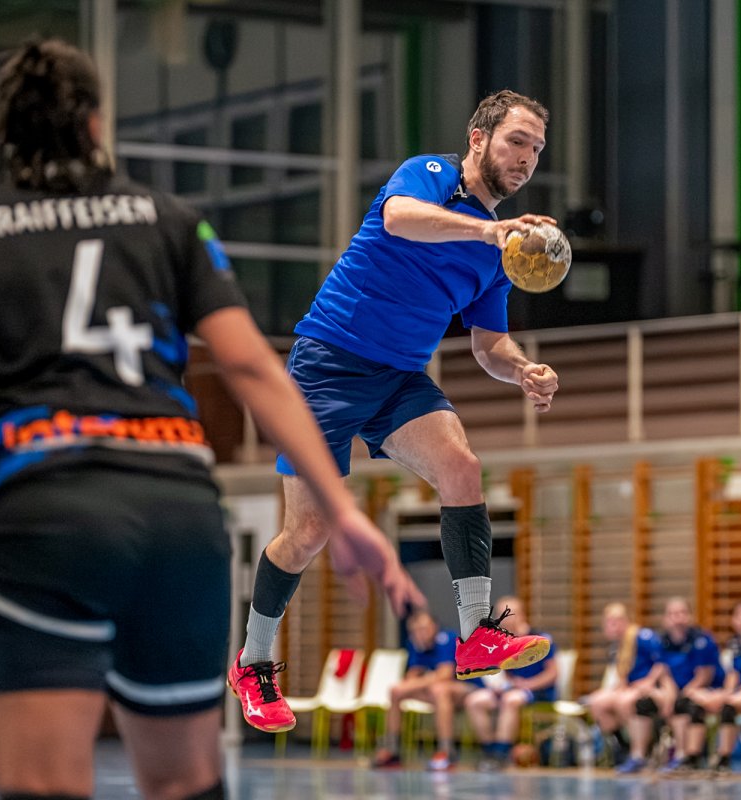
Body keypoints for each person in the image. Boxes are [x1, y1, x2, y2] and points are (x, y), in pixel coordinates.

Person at [0, 39, 418, 800]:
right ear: (95, 123)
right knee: (186, 784)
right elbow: (253, 369)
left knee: (43, 787)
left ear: (4, 133)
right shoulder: (170, 221)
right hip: (176, 517)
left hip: (46, 516)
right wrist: (341, 512)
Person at [229, 90, 561, 731]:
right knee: (308, 533)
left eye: (537, 149)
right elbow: (400, 219)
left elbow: (488, 345)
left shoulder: (500, 255)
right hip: (327, 365)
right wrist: (487, 228)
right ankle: (253, 663)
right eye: (517, 141)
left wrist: (523, 369)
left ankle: (475, 636)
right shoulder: (430, 176)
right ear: (478, 138)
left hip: (399, 379)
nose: (527, 158)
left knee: (463, 468)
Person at [617, 597, 723, 775]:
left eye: (682, 613)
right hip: (674, 689)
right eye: (673, 614)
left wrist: (682, 695)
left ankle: (684, 755)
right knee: (643, 704)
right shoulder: (662, 642)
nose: (677, 618)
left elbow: (704, 676)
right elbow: (664, 672)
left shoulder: (702, 640)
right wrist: (669, 696)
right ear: (666, 619)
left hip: (701, 689)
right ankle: (638, 756)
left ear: (690, 616)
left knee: (683, 705)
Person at [679, 602, 741, 776]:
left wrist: (735, 693)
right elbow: (732, 674)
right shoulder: (735, 644)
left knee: (729, 707)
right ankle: (692, 757)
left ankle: (724, 759)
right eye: (739, 615)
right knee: (700, 707)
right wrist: (726, 693)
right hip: (739, 692)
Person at [372, 609, 478, 772]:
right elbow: (413, 674)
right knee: (396, 691)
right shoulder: (416, 644)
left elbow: (445, 674)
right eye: (415, 630)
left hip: (468, 688)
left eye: (423, 629)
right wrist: (406, 685)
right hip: (436, 690)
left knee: (439, 690)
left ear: (434, 627)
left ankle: (447, 751)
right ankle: (392, 749)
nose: (420, 633)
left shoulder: (447, 639)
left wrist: (412, 683)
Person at [462, 596, 558, 770]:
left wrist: (528, 684)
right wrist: (497, 685)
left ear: (521, 615)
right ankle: (489, 752)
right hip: (508, 689)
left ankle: (501, 753)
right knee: (474, 701)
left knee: (511, 700)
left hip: (535, 691)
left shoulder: (540, 639)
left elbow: (552, 674)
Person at [582, 602, 662, 763]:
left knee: (624, 702)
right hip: (630, 686)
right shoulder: (617, 646)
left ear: (627, 620)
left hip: (649, 686)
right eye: (609, 622)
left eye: (617, 621)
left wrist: (649, 681)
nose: (614, 626)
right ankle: (621, 746)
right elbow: (625, 673)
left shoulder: (643, 637)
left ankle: (641, 749)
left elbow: (661, 662)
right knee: (597, 702)